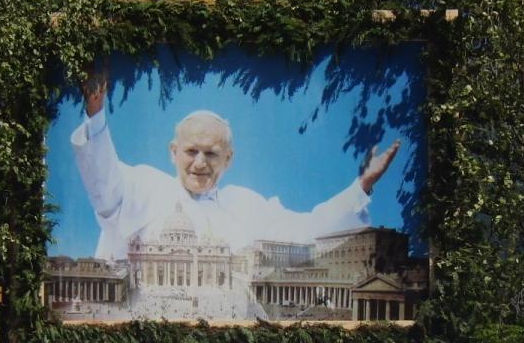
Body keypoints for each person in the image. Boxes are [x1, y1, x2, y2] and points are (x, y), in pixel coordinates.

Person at [70, 64, 401, 262]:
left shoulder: (246, 205)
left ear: (228, 160)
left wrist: (363, 185)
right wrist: (95, 115)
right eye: (191, 151)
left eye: (211, 153)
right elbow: (102, 180)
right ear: (173, 152)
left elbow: (308, 231)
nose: (200, 163)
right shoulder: (142, 187)